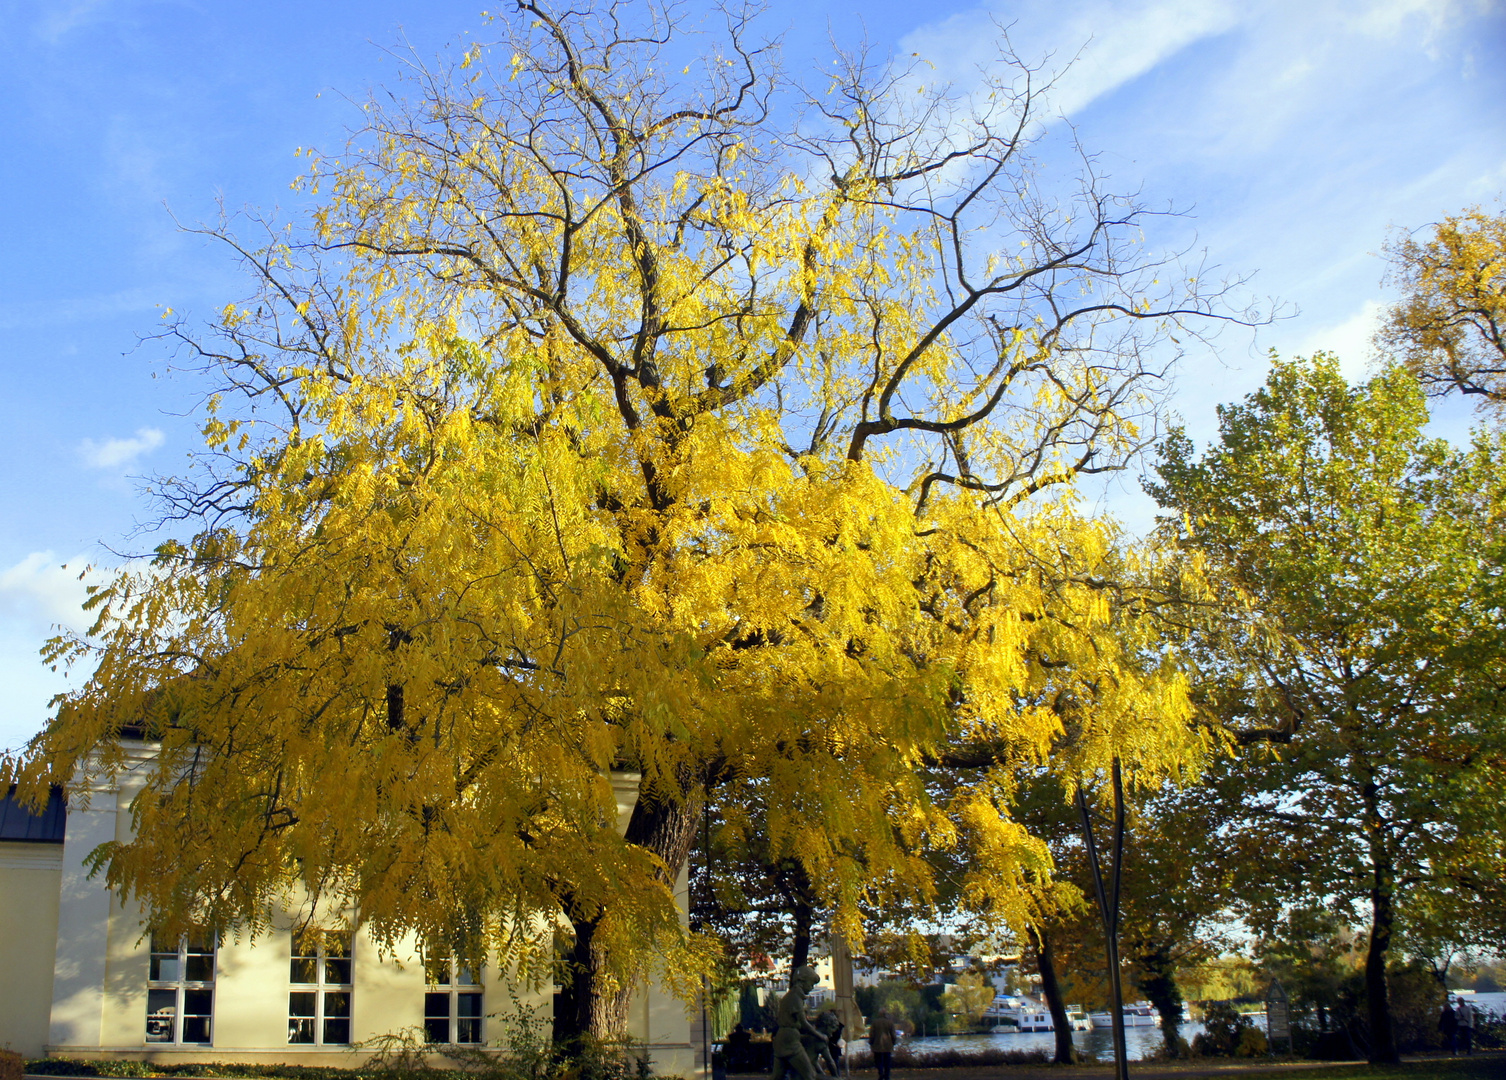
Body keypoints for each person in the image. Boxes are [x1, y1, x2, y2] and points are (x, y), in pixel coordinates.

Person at [772, 967, 826, 1080]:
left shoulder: (792, 996)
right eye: (811, 984)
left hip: (781, 1039)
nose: (812, 988)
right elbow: (804, 1023)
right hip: (790, 1041)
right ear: (802, 981)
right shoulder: (795, 998)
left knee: (777, 1077)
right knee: (809, 1075)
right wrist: (820, 1035)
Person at [867, 1007, 898, 1080]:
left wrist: (871, 1042)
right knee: (887, 1061)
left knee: (878, 1060)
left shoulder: (875, 1022)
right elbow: (893, 1034)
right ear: (885, 1014)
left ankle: (881, 1073)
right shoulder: (890, 1023)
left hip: (877, 1045)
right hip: (888, 1045)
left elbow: (872, 1034)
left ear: (879, 1014)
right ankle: (887, 1075)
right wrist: (893, 1042)